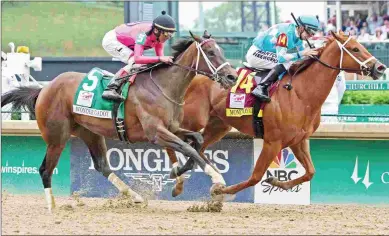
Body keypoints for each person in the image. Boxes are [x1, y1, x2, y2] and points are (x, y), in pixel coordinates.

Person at [101, 11, 176, 102]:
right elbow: (137, 59)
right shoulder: (143, 34)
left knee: (144, 64)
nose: (168, 37)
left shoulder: (158, 37)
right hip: (112, 40)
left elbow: (160, 59)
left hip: (126, 42)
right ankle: (110, 88)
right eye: (166, 34)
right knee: (135, 63)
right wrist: (160, 59)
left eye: (171, 35)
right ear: (156, 30)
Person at [245, 15, 321, 102]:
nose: (311, 35)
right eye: (309, 32)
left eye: (313, 33)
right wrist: (303, 53)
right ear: (301, 28)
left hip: (269, 53)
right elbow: (281, 58)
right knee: (287, 62)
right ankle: (261, 87)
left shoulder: (298, 39)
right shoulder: (284, 34)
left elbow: (301, 55)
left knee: (294, 59)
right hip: (256, 53)